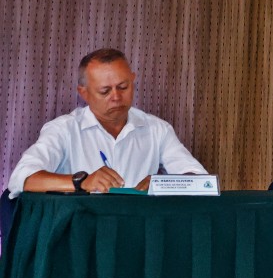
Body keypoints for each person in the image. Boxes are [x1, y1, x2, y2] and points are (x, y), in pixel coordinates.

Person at [6, 48, 205, 195]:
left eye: (123, 87)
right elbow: (22, 178)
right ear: (83, 93)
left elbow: (202, 182)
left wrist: (164, 184)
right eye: (105, 91)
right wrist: (81, 182)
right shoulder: (64, 129)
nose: (116, 97)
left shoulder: (157, 129)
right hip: (83, 230)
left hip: (138, 228)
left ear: (133, 80)